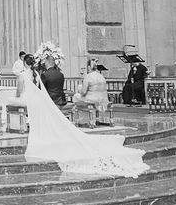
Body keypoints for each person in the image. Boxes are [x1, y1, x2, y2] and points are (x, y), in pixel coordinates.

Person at [21, 55, 149, 177]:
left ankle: (78, 119)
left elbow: (82, 91)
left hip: (86, 100)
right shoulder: (67, 74)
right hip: (102, 99)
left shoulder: (83, 77)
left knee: (77, 97)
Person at [74, 58, 110, 124]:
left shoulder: (88, 77)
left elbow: (83, 92)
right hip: (103, 99)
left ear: (89, 67)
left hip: (92, 100)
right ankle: (96, 119)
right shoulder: (101, 76)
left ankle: (78, 120)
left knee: (76, 96)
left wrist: (79, 89)